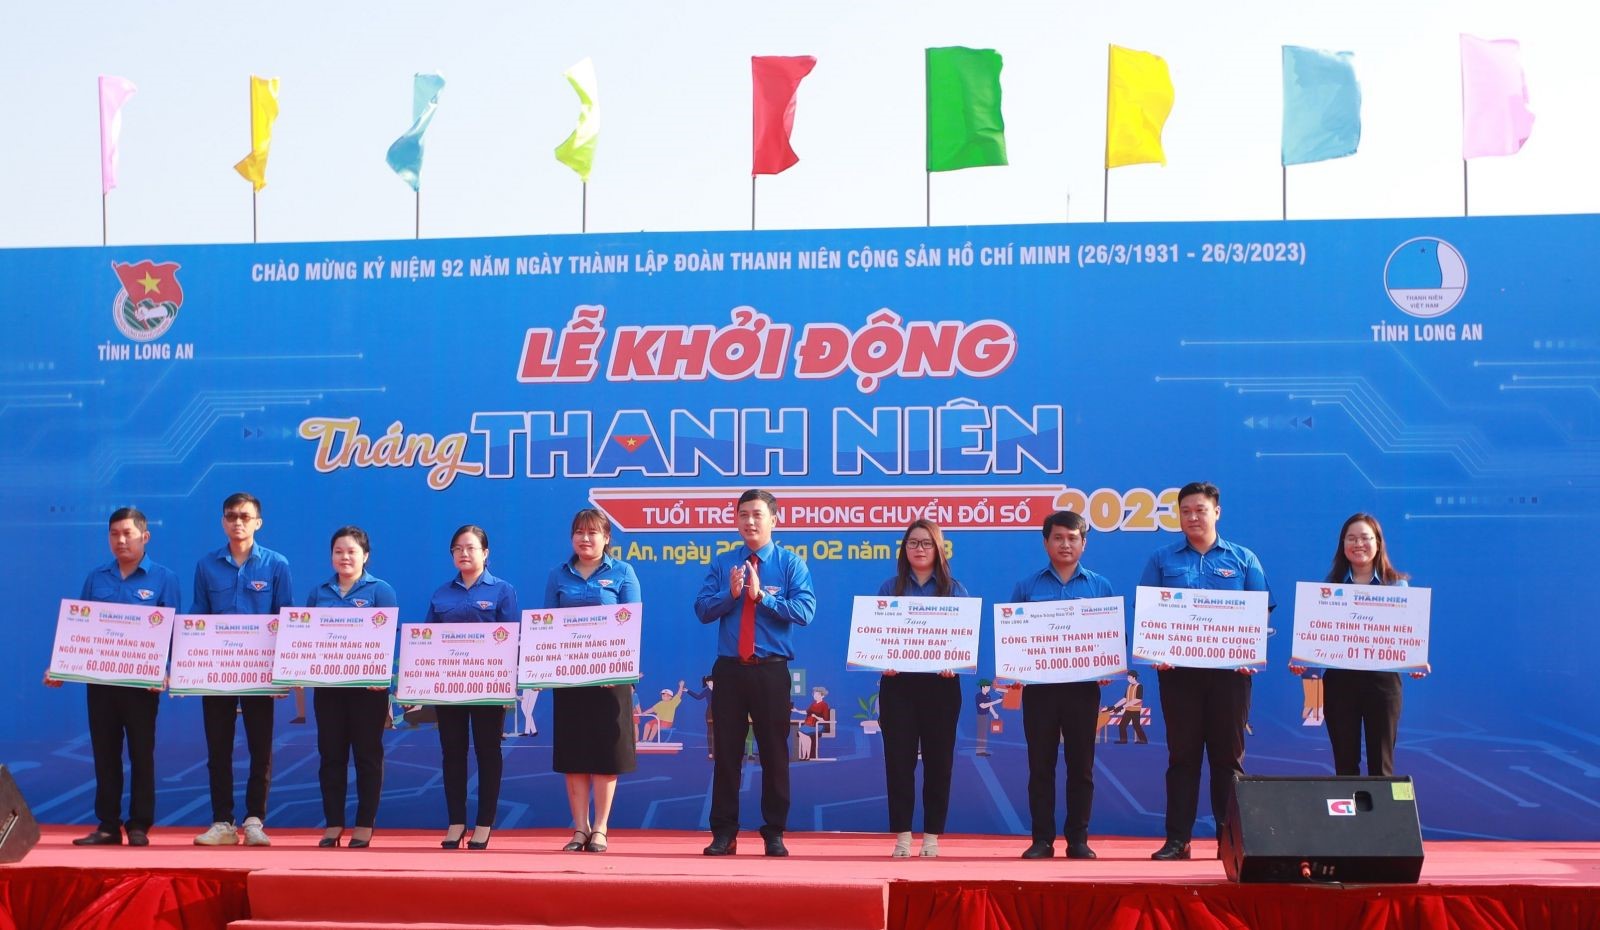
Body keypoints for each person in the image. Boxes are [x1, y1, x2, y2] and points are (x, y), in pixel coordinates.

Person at [1140, 482, 1273, 861]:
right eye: (1185, 511)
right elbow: (1148, 612)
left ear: (1217, 512)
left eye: (1200, 510)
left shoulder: (1244, 559)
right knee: (1182, 757)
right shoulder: (1162, 560)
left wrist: (1250, 650)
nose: (1193, 517)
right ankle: (1177, 840)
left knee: (1227, 759)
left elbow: (1261, 612)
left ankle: (1229, 841)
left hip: (1231, 675)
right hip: (1178, 673)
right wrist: (1154, 650)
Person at [45, 508, 181, 847]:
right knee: (105, 754)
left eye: (127, 534)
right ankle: (107, 825)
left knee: (141, 754)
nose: (121, 540)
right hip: (101, 684)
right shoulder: (96, 578)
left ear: (145, 537)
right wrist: (60, 667)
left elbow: (173, 632)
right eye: (114, 534)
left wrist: (165, 669)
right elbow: (80, 629)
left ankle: (139, 825)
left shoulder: (163, 578)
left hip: (142, 686)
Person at [694, 489, 816, 857]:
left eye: (757, 514)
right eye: (743, 514)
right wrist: (730, 595)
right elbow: (702, 609)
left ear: (774, 520)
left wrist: (764, 597)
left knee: (774, 754)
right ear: (735, 520)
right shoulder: (723, 563)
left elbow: (805, 612)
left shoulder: (790, 563)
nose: (749, 521)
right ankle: (724, 833)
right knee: (726, 753)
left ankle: (774, 832)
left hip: (771, 671)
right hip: (729, 671)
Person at [1012, 510, 1117, 861]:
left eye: (1073, 538)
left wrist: (1108, 664)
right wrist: (1014, 665)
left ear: (1084, 543)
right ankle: (1042, 839)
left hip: (1082, 690)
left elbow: (1113, 637)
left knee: (1081, 767)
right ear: (1046, 543)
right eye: (1058, 537)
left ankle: (1078, 839)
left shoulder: (1099, 586)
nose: (1065, 544)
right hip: (1039, 691)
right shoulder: (1027, 587)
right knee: (1040, 766)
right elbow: (1013, 637)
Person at [192, 492, 293, 847]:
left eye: (245, 516)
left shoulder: (276, 564)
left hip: (259, 672)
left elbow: (285, 618)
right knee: (218, 748)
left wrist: (284, 673)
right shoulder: (206, 565)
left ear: (257, 523)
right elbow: (198, 617)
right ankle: (222, 821)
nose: (238, 522)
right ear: (223, 521)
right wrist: (190, 666)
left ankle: (254, 821)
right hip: (216, 671)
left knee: (260, 747)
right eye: (231, 516)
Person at [1291, 513, 1427, 776]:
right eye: (1351, 538)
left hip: (1383, 686)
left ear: (1378, 543)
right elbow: (1316, 640)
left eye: (1365, 538)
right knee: (1344, 766)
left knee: (1382, 767)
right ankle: (1349, 806)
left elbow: (1406, 638)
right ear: (1343, 545)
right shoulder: (1328, 589)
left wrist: (1415, 662)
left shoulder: (1397, 586)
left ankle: (1381, 806)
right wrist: (1305, 669)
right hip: (1340, 686)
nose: (1358, 544)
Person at [544, 508, 639, 854]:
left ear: (606, 538)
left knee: (604, 753)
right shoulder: (558, 575)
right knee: (575, 754)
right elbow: (547, 624)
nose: (585, 539)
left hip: (609, 680)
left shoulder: (623, 572)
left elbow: (631, 624)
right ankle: (579, 828)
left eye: (593, 532)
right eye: (579, 532)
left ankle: (600, 828)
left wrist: (620, 669)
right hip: (570, 680)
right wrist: (544, 667)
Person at [877, 519, 966, 858]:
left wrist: (955, 660)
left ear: (938, 549)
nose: (919, 549)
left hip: (942, 685)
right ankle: (902, 836)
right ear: (904, 550)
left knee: (938, 763)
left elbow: (964, 640)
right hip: (898, 685)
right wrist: (882, 658)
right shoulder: (890, 588)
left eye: (926, 543)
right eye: (913, 543)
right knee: (899, 762)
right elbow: (878, 636)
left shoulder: (954, 590)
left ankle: (931, 837)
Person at [425, 524, 517, 850]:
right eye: (458, 549)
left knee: (488, 752)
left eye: (471, 548)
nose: (464, 553)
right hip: (449, 687)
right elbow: (427, 641)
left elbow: (511, 640)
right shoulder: (441, 594)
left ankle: (484, 823)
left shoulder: (502, 590)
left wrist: (508, 685)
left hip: (488, 686)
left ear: (485, 553)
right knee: (452, 752)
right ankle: (456, 822)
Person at [307, 526, 398, 849]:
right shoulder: (319, 593)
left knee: (367, 756)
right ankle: (333, 824)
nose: (344, 557)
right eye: (338, 551)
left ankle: (364, 824)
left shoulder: (380, 591)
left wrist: (380, 674)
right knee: (330, 755)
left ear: (365, 556)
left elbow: (387, 639)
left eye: (351, 552)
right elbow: (305, 639)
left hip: (368, 691)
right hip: (328, 689)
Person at [794, 686, 831, 760]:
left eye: (817, 694)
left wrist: (816, 716)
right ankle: (805, 756)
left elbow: (825, 719)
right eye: (814, 694)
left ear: (822, 696)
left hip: (818, 725)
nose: (815, 696)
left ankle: (807, 756)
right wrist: (797, 711)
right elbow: (806, 712)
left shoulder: (824, 705)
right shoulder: (813, 704)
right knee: (802, 734)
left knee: (804, 734)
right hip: (809, 725)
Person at [1114, 671, 1148, 744]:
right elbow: (1125, 698)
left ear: (1134, 677)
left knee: (1136, 726)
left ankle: (1144, 740)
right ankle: (1123, 740)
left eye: (1129, 677)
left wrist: (1122, 706)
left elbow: (1138, 699)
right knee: (1122, 725)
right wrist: (1115, 706)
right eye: (1128, 677)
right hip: (1128, 710)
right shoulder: (1129, 686)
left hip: (1135, 710)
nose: (1128, 678)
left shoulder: (1139, 686)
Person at [974, 680, 1001, 756]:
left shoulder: (988, 695)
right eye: (987, 687)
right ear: (983, 687)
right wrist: (996, 702)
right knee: (981, 733)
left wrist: (994, 714)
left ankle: (982, 750)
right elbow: (983, 706)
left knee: (984, 734)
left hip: (986, 716)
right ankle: (979, 751)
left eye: (989, 687)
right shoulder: (978, 696)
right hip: (981, 716)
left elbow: (989, 706)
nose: (989, 688)